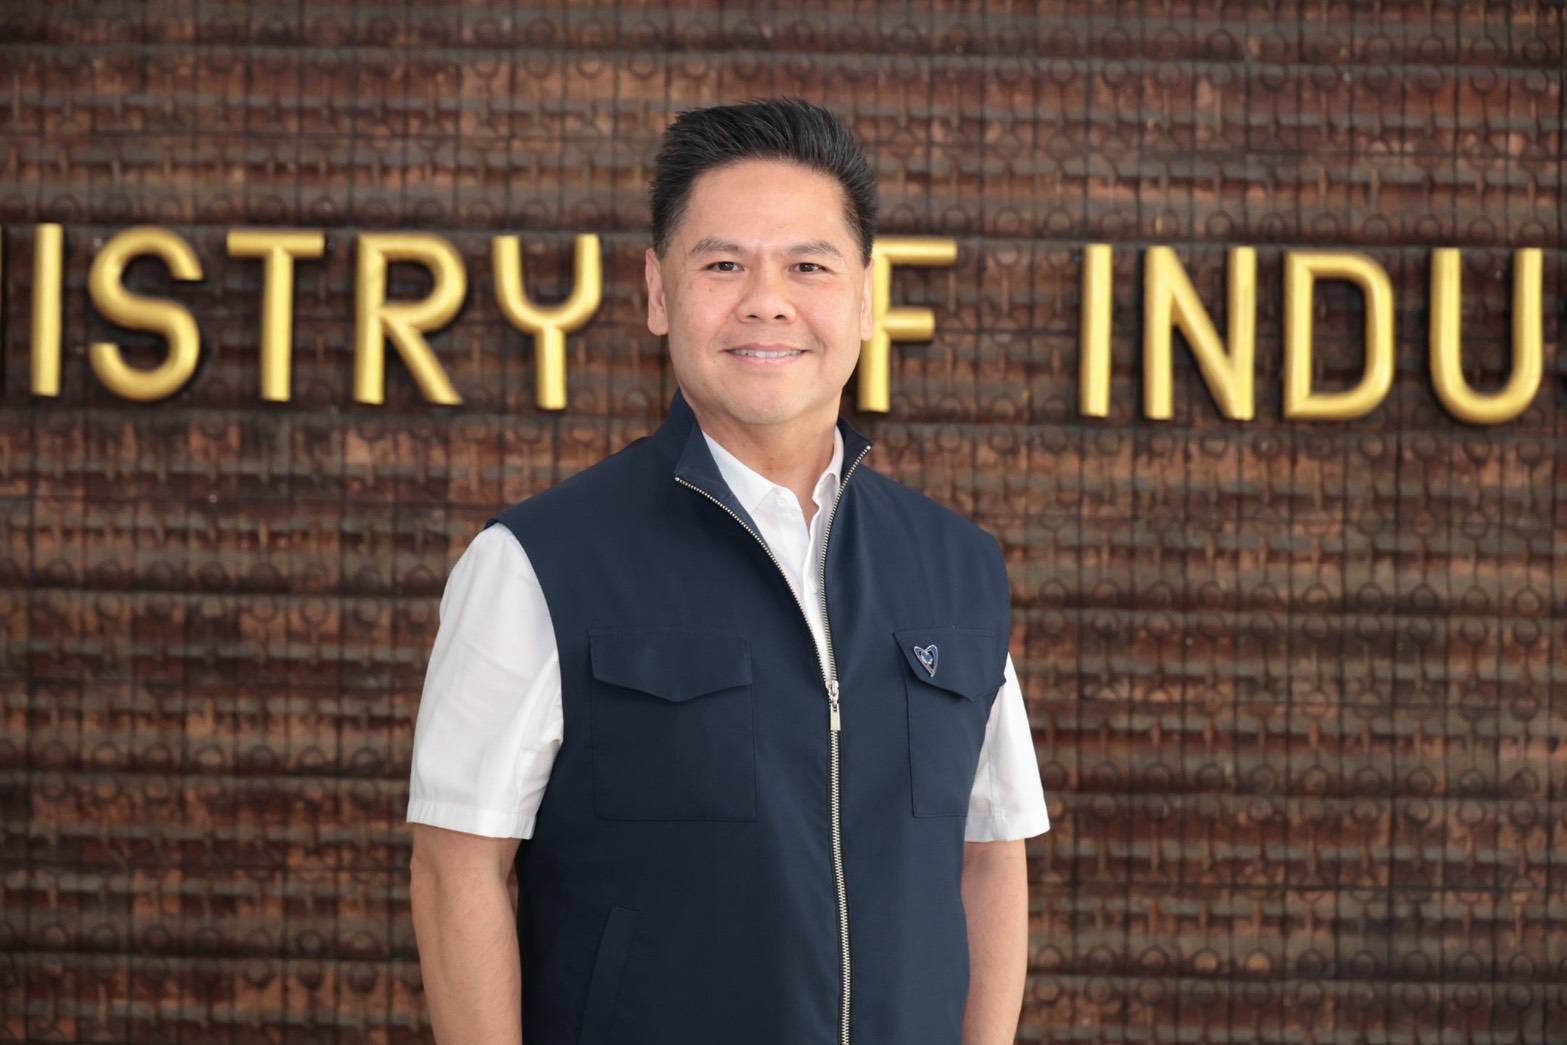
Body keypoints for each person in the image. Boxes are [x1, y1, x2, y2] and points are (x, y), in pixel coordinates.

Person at [406, 98, 1050, 1045]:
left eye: (808, 266)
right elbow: (456, 864)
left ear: (865, 299)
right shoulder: (537, 562)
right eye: (722, 265)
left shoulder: (956, 569)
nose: (766, 301)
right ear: (658, 293)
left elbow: (988, 855)